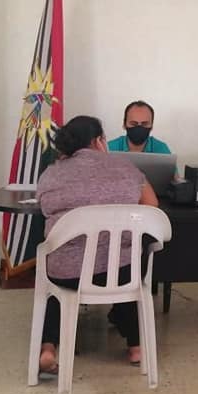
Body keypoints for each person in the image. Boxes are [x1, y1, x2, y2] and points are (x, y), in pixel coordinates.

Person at [36, 115, 160, 374]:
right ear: (98, 141)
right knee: (124, 259)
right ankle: (136, 348)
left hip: (66, 275)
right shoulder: (124, 167)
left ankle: (47, 348)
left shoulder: (52, 173)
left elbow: (45, 209)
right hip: (120, 274)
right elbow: (151, 206)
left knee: (57, 286)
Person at [107, 100, 172, 154]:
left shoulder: (162, 150)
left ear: (152, 126)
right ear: (124, 124)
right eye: (133, 124)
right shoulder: (109, 149)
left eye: (144, 124)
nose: (139, 128)